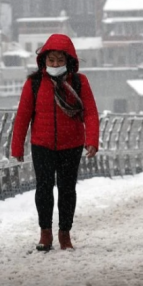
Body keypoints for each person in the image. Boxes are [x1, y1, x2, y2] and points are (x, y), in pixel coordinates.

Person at [11, 34, 99, 252]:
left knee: (67, 190)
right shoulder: (34, 83)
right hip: (42, 144)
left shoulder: (79, 82)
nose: (56, 64)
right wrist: (17, 146)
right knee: (43, 189)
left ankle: (65, 233)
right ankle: (45, 233)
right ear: (44, 61)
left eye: (60, 60)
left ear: (68, 61)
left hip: (72, 144)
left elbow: (90, 113)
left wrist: (92, 140)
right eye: (51, 60)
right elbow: (23, 116)